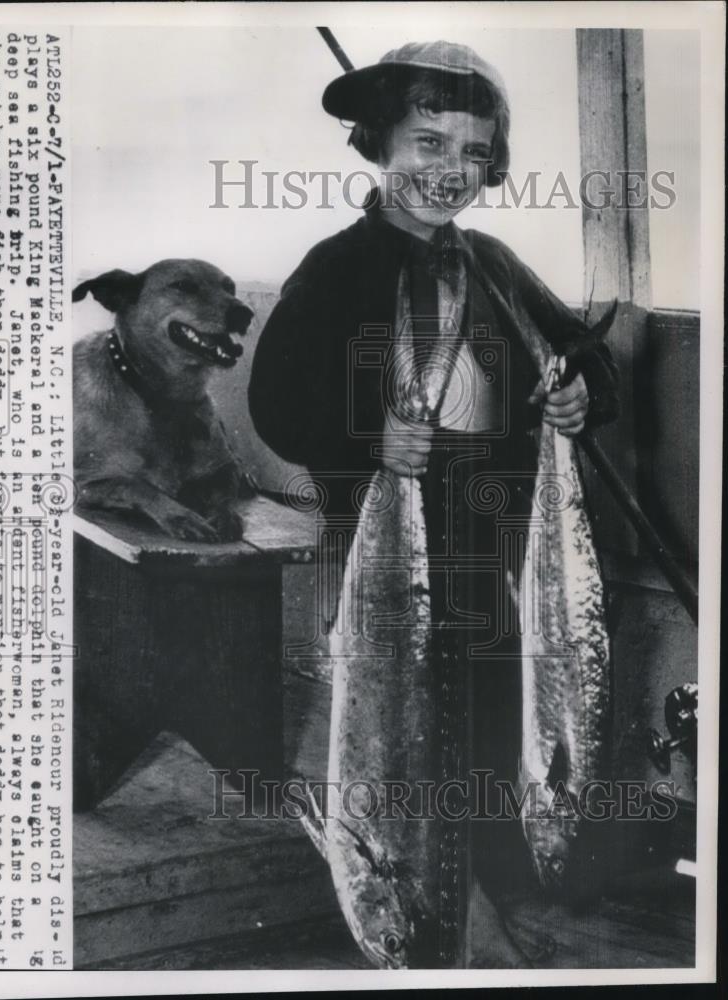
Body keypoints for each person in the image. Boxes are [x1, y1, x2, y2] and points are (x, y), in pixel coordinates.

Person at [248, 40, 618, 967]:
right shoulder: (335, 264)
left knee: (491, 705)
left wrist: (580, 389)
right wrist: (366, 438)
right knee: (391, 715)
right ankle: (414, 897)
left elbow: (577, 350)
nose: (450, 169)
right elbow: (277, 401)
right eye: (426, 143)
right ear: (376, 146)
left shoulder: (492, 261)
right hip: (374, 528)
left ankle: (472, 900)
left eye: (471, 151)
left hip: (486, 518)